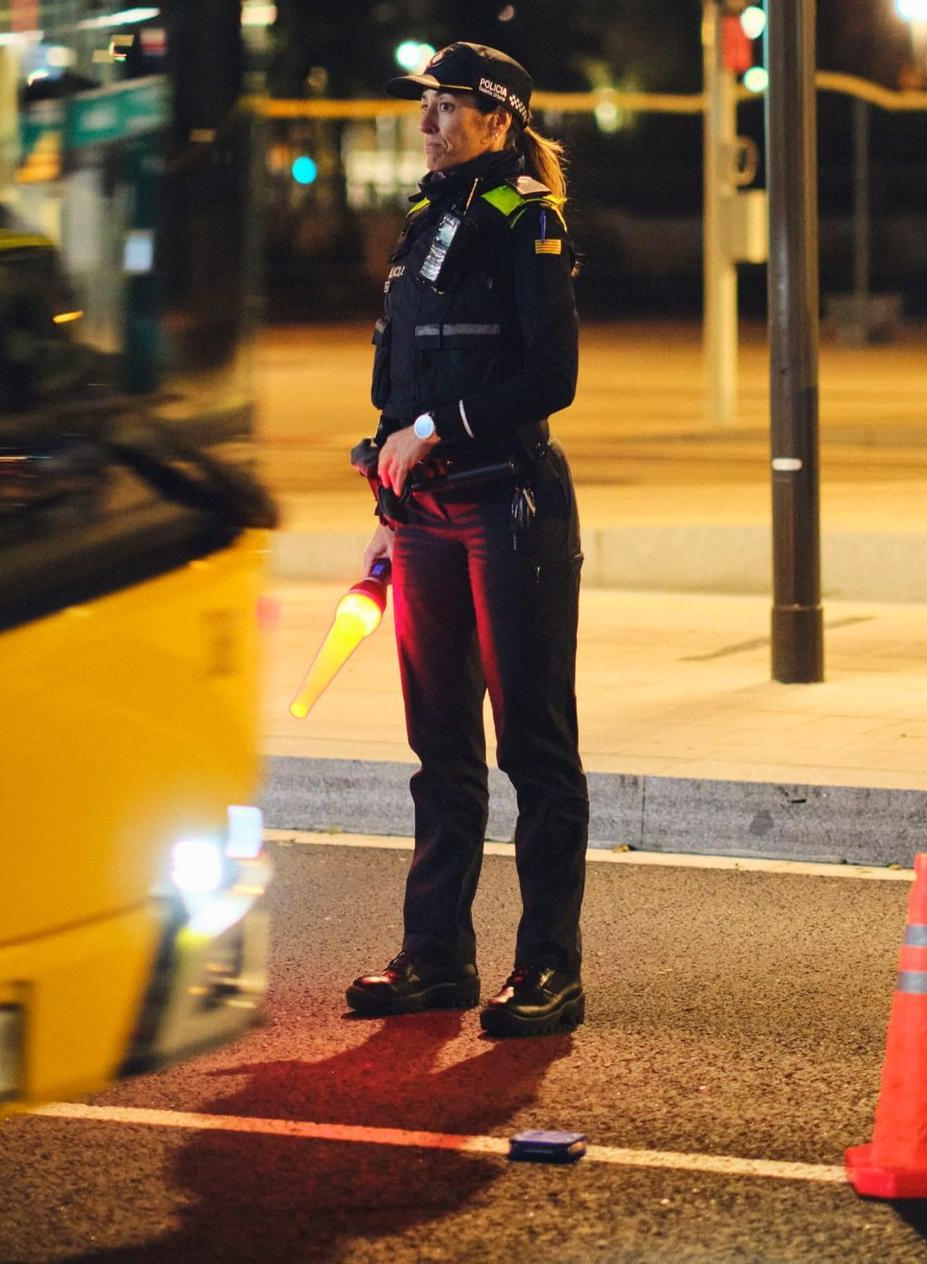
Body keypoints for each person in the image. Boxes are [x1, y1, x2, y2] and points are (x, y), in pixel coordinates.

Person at [344, 43, 589, 1037]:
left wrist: (436, 427)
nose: (427, 119)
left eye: (447, 105)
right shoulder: (424, 217)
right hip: (426, 518)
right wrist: (386, 469)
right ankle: (436, 956)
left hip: (507, 510)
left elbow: (549, 378)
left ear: (496, 118)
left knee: (532, 746)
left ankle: (549, 968)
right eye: (425, 103)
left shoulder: (523, 218)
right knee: (439, 745)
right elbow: (398, 380)